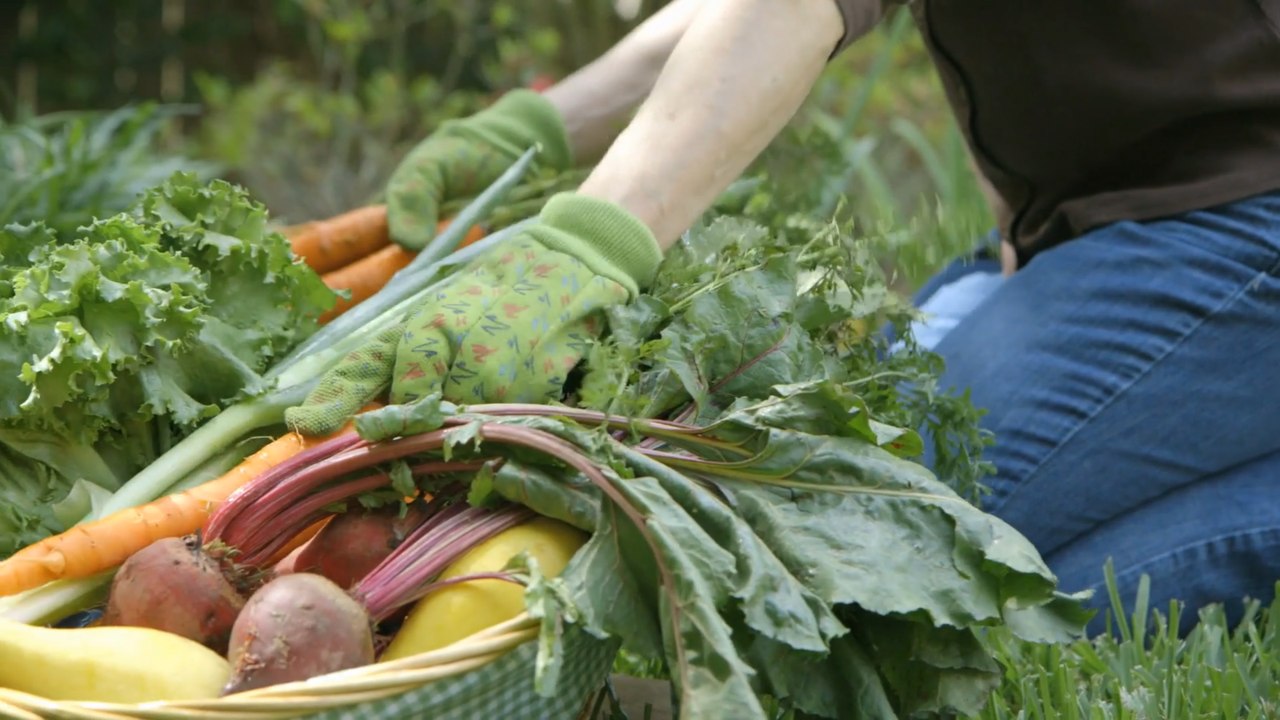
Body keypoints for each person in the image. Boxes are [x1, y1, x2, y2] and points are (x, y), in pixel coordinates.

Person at [284, 0, 1280, 635]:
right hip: (1104, 236)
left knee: (885, 567)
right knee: (838, 493)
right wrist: (541, 124)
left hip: (1236, 220)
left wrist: (595, 241)